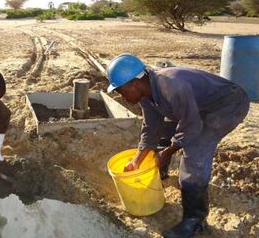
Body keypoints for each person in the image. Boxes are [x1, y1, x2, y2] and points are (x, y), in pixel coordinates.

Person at [106, 54, 249, 238]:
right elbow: (151, 127)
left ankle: (194, 221)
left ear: (134, 83)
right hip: (199, 106)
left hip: (228, 104)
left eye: (121, 91)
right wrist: (137, 161)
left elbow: (192, 125)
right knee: (164, 129)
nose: (123, 97)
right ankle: (160, 171)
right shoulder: (146, 94)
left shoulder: (172, 85)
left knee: (195, 150)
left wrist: (169, 150)